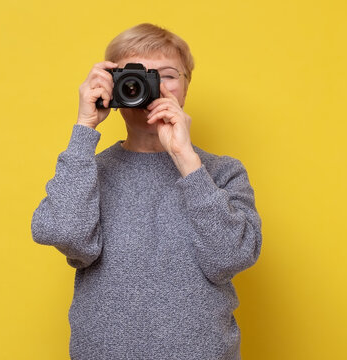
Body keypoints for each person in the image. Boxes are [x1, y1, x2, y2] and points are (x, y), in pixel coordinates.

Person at [31, 23, 262, 360]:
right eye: (134, 75)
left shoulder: (223, 172)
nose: (151, 87)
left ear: (186, 87)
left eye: (166, 75)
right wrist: (84, 128)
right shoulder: (86, 170)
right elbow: (66, 236)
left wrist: (186, 160)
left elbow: (230, 258)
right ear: (111, 86)